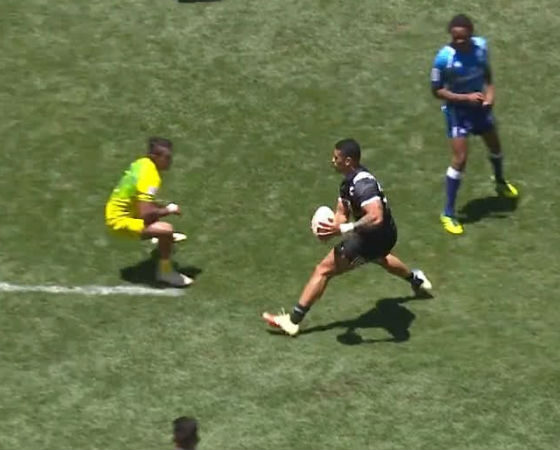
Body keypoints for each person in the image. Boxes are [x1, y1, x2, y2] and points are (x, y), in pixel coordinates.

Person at [262, 138, 432, 336]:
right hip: (383, 235)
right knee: (381, 258)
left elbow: (376, 216)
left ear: (348, 161)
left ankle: (293, 321)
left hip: (372, 239)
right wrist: (330, 228)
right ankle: (416, 279)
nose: (332, 161)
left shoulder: (363, 185)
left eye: (336, 158)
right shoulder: (348, 183)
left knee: (323, 270)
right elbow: (342, 212)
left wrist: (345, 228)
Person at [431, 14, 519, 235]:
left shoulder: (481, 47)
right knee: (460, 159)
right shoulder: (443, 58)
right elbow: (436, 90)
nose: (459, 42)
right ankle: (448, 213)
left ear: (471, 33)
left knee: (495, 146)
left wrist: (490, 95)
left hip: (479, 109)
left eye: (463, 38)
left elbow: (487, 75)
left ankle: (499, 182)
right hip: (458, 113)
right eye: (455, 38)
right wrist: (465, 98)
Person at [105, 137, 192, 287]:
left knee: (153, 207)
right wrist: (169, 210)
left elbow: (142, 200)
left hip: (117, 210)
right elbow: (145, 214)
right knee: (166, 230)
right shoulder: (150, 177)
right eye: (166, 157)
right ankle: (165, 273)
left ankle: (158, 237)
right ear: (154, 157)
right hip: (119, 221)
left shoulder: (142, 163)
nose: (169, 161)